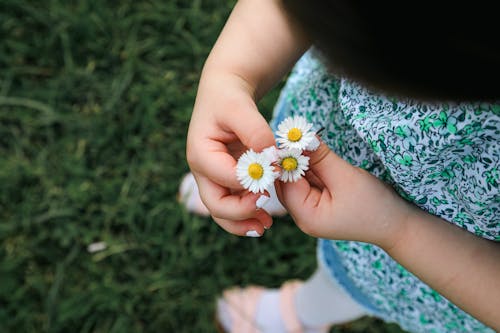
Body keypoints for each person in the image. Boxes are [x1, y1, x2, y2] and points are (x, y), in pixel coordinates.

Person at [182, 0, 500, 332]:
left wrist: (396, 229)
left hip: (430, 248)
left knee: (344, 283)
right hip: (326, 127)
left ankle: (299, 314)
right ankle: (270, 188)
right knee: (284, 164)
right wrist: (230, 76)